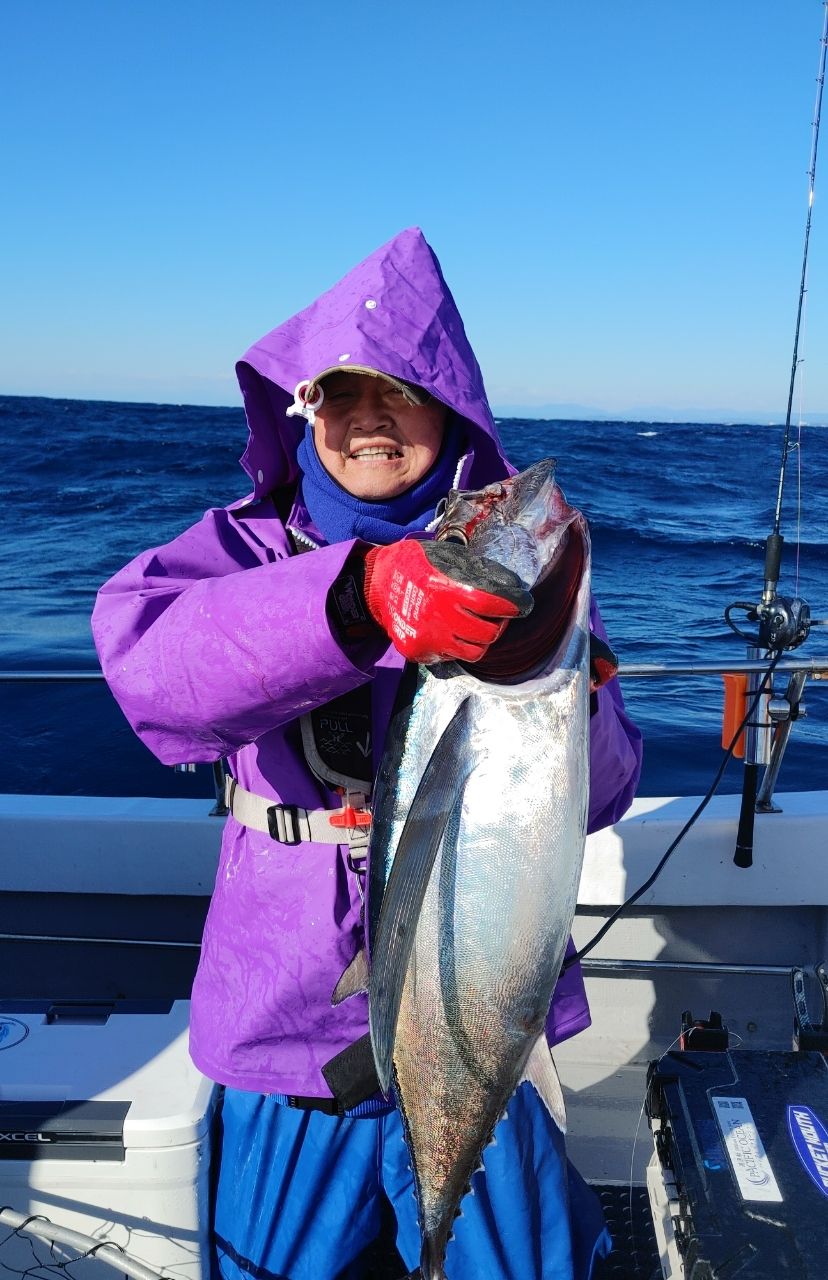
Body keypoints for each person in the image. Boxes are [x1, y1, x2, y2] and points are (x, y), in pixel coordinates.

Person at [92, 228, 642, 1280]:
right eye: (339, 392)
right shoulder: (240, 550)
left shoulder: (515, 570)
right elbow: (151, 670)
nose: (367, 415)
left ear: (452, 409)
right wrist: (360, 594)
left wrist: (567, 686)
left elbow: (603, 796)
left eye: (401, 388)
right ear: (305, 412)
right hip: (292, 1022)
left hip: (488, 1014)